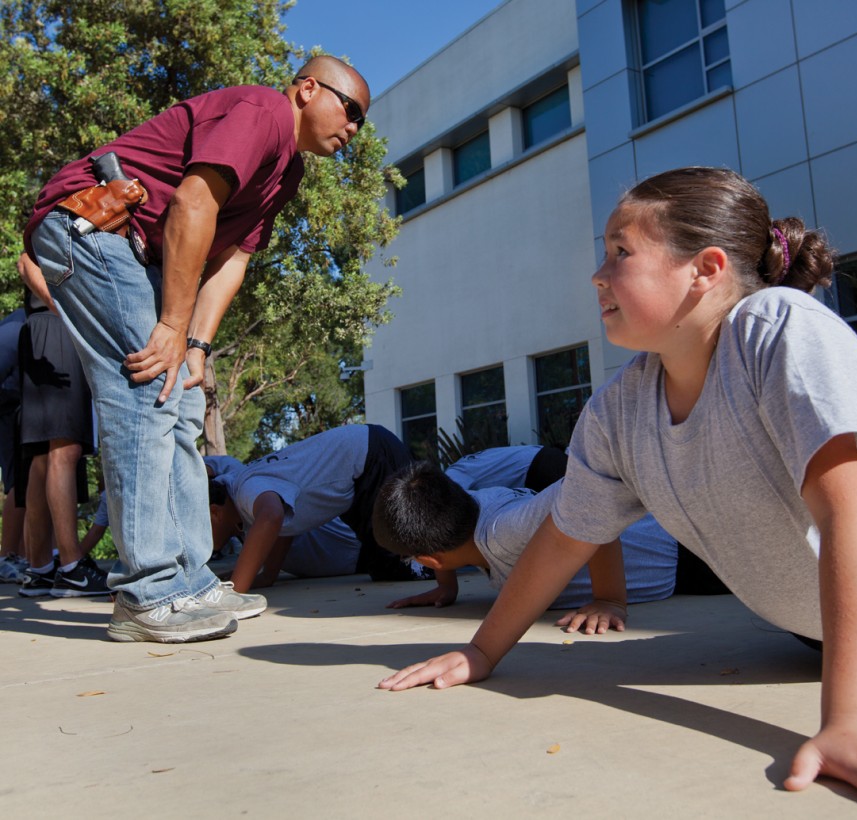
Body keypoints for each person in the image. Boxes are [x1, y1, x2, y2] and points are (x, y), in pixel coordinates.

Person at [378, 167, 857, 819]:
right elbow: (565, 537)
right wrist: (482, 650)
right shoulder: (617, 413)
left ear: (706, 269)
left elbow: (856, 514)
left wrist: (856, 723)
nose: (598, 275)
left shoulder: (781, 330)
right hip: (821, 635)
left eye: (621, 252)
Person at [19, 56, 366, 641]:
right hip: (91, 225)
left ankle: (189, 578)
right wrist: (172, 324)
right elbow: (192, 205)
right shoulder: (261, 110)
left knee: (179, 401)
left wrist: (197, 344)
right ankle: (147, 593)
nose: (354, 127)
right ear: (307, 89)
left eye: (362, 121)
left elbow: (231, 261)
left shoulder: (288, 174)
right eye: (350, 109)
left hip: (138, 255)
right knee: (146, 390)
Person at [376, 461, 678, 623]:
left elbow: (591, 494)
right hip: (670, 528)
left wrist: (609, 599)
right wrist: (446, 586)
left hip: (682, 556)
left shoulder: (503, 535)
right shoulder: (472, 507)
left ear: (430, 560)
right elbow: (443, 516)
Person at [209, 424, 421, 593]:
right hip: (364, 460)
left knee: (394, 563)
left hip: (372, 456)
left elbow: (271, 517)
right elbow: (284, 527)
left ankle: (446, 558)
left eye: (201, 532)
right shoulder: (242, 487)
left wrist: (235, 589)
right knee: (387, 557)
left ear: (214, 512)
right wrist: (267, 576)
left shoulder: (244, 487)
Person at [15, 288, 105, 598]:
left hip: (47, 326)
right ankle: (71, 567)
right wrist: (67, 309)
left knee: (44, 453)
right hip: (58, 324)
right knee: (66, 448)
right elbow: (26, 262)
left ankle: (40, 569)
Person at [0, 308, 28, 584]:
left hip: (27, 406)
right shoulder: (20, 322)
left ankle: (20, 556)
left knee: (28, 484)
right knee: (17, 484)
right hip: (11, 405)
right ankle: (7, 556)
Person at [445, 445, 568, 493]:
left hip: (538, 468)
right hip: (544, 455)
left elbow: (452, 502)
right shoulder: (465, 464)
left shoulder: (454, 474)